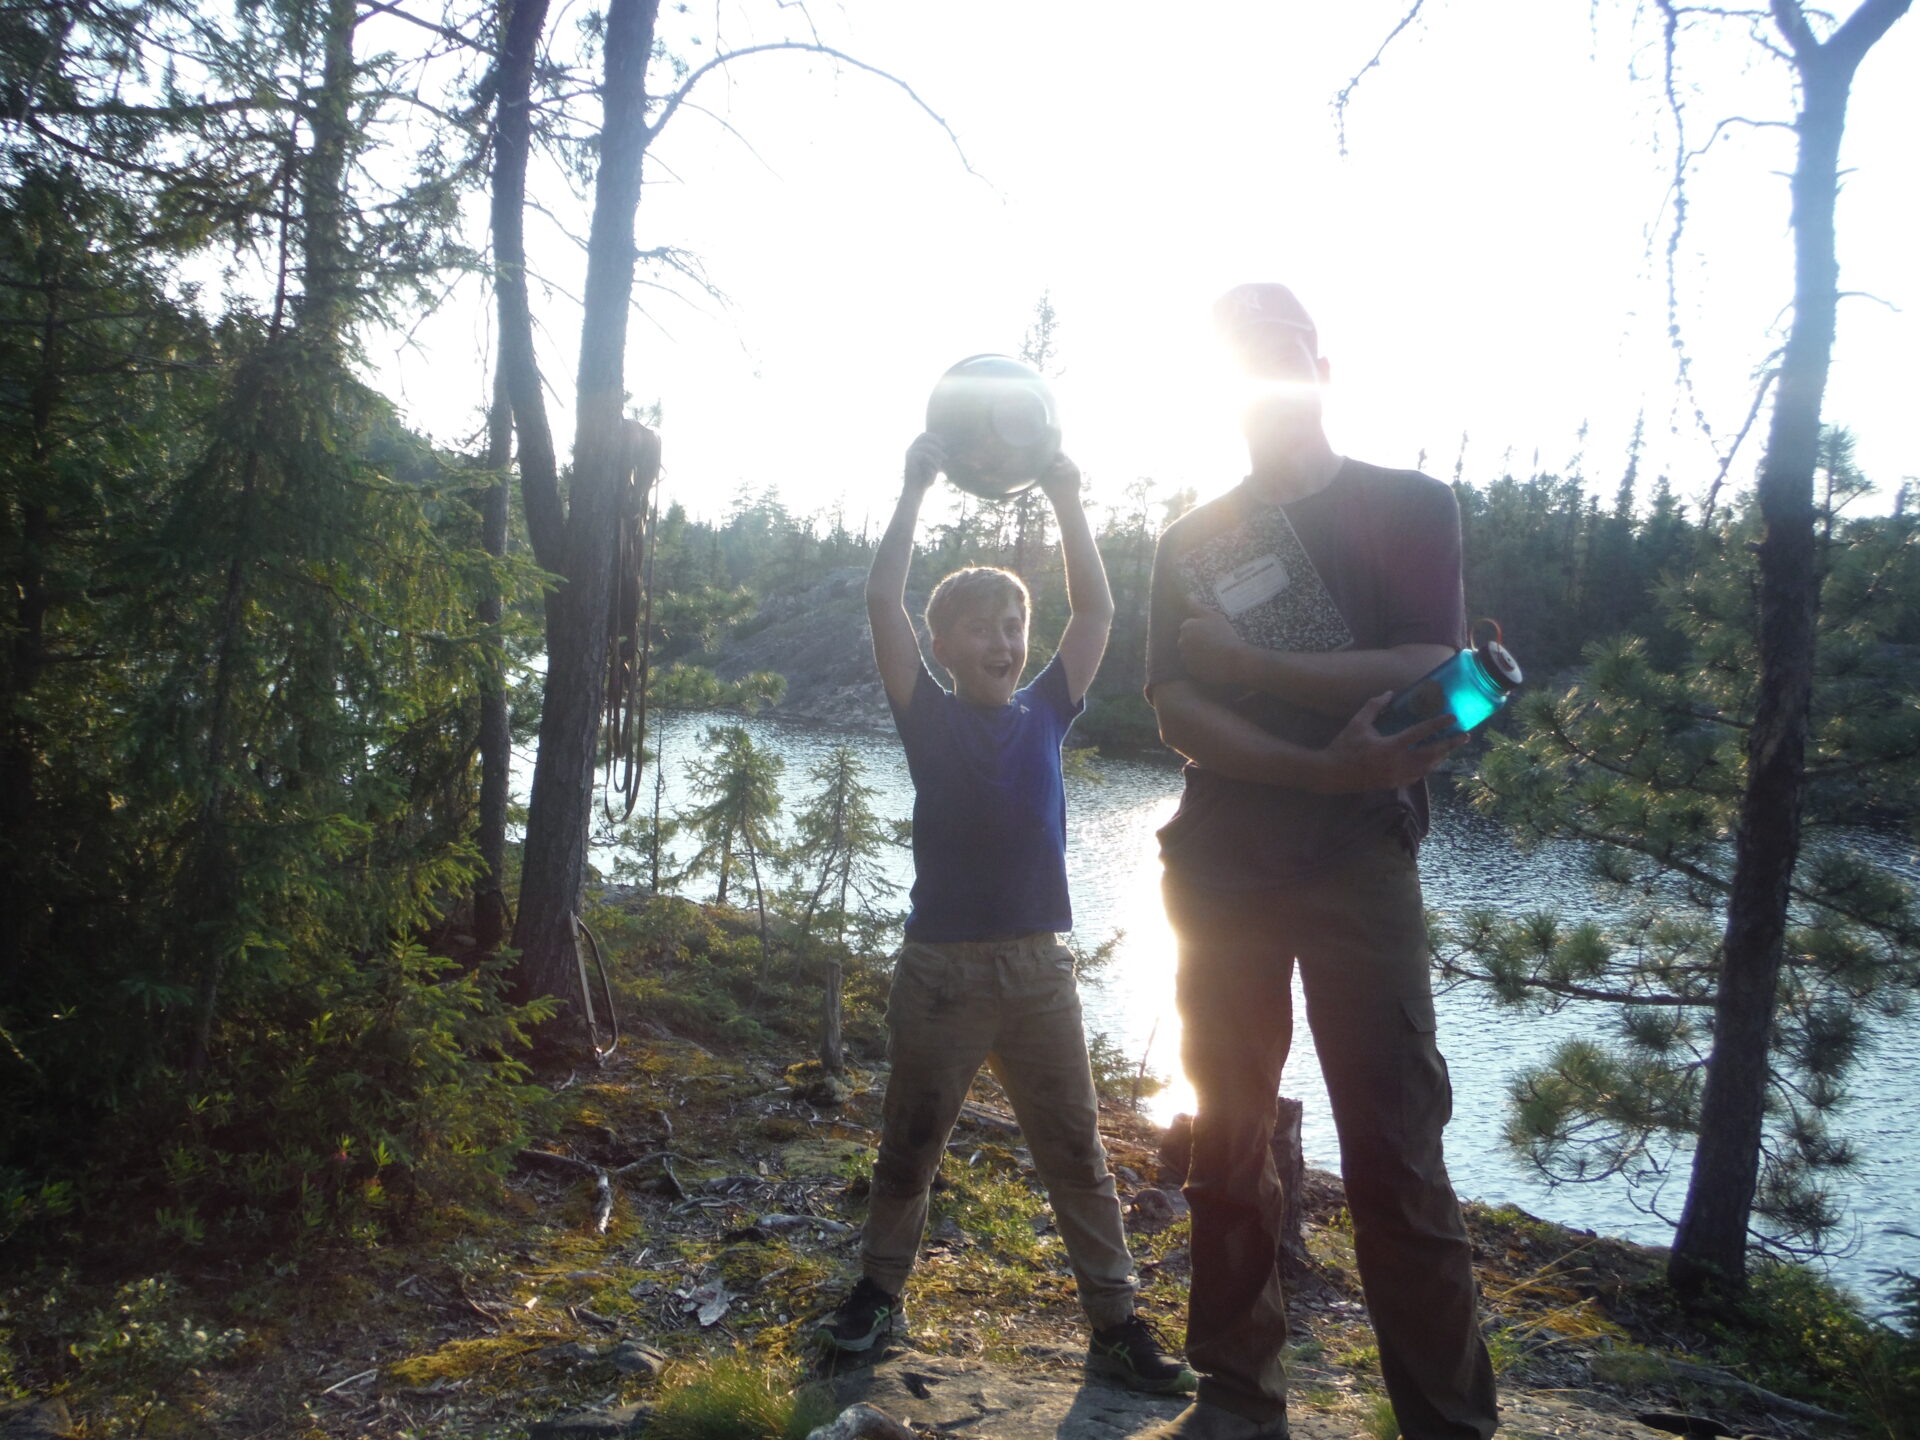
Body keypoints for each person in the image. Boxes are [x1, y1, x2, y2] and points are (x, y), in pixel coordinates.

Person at [1139, 284, 1499, 1440]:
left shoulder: (1410, 505)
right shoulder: (1189, 540)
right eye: (1245, 358)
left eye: (1285, 352)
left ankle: (1446, 1423)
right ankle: (1240, 1394)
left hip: (1361, 864)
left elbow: (1425, 657)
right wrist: (1316, 766)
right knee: (1226, 1142)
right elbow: (1176, 711)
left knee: (1395, 1145)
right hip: (1222, 864)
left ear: (1323, 368)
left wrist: (1259, 663)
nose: (1269, 374)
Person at [814, 431, 1195, 1397]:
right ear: (942, 648)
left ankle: (1115, 1324)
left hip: (1037, 974)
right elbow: (878, 601)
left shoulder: (1048, 709)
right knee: (909, 1148)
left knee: (1078, 1152)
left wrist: (1070, 496)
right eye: (980, 627)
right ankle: (876, 1294)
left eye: (1013, 625)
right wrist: (911, 487)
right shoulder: (924, 713)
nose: (1002, 640)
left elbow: (1099, 609)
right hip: (939, 974)